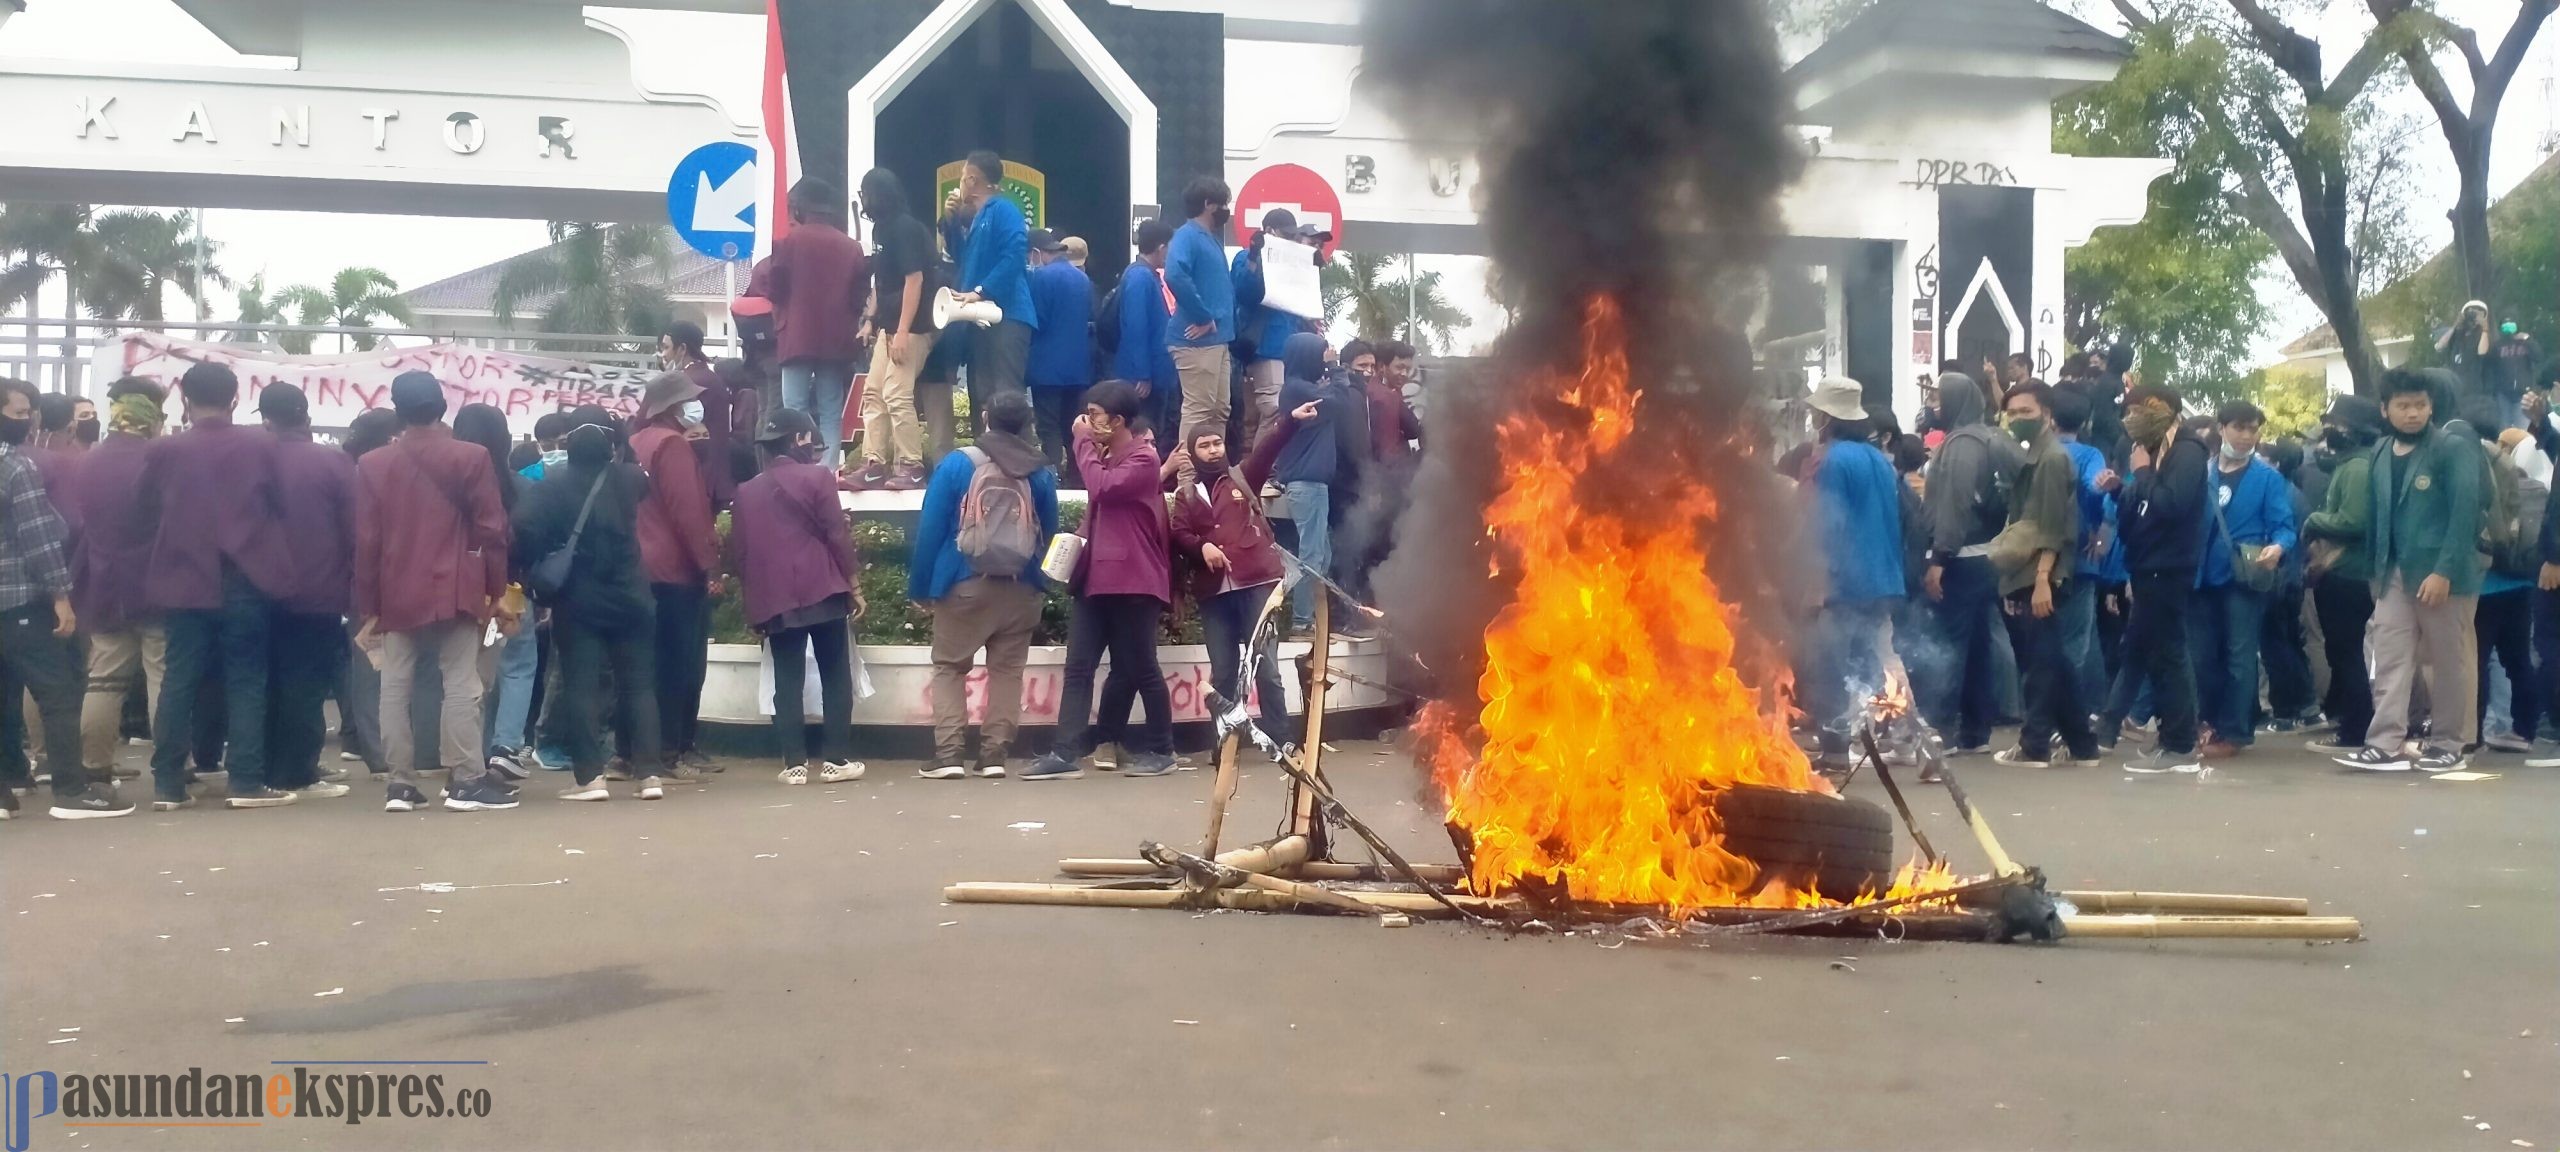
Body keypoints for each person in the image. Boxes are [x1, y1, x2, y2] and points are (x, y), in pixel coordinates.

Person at [136, 363, 299, 810]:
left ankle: (168, 783)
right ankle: (246, 780)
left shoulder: (163, 451)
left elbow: (145, 511)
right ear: (235, 398)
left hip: (184, 577)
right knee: (246, 679)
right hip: (245, 576)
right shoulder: (261, 446)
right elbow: (282, 505)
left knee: (179, 679)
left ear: (183, 399)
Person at [356, 372, 513, 813]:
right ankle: (467, 779)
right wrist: (496, 589)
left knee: (394, 685)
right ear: (441, 407)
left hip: (395, 588)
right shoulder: (472, 456)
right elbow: (492, 528)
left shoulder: (373, 464)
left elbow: (367, 541)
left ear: (398, 411)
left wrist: (369, 605)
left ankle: (399, 784)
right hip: (457, 586)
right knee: (460, 681)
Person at [1026, 381, 1176, 780]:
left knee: (1142, 666)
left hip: (1133, 581)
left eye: (1094, 414)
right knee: (1078, 667)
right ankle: (1065, 752)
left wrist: (1082, 444)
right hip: (1096, 579)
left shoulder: (1143, 459)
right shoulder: (1108, 457)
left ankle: (1163, 749)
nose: (1087, 421)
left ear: (1118, 421)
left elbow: (1102, 489)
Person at [2338, 369, 2485, 771]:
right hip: (2392, 573)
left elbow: (2465, 515)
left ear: (2431, 406)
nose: (2413, 413)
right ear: (2385, 410)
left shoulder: (2452, 447)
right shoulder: (2381, 451)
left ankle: (2449, 744)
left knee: (2448, 658)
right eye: (2403, 405)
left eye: (2420, 404)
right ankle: (2385, 742)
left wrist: (2445, 571)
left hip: (2442, 573)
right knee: (2389, 656)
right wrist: (2376, 573)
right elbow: (2375, 517)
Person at [909, 389, 1058, 779]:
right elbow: (1050, 532)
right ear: (1025, 424)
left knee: (949, 666)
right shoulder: (1039, 471)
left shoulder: (958, 464)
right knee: (1007, 672)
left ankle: (949, 755)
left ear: (986, 417)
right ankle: (994, 756)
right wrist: (1038, 582)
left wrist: (921, 587)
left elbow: (930, 530)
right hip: (1020, 586)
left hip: (963, 583)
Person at [514, 417, 664, 801]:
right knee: (640, 686)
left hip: (578, 602)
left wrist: (536, 563)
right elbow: (638, 472)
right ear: (609, 451)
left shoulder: (552, 488)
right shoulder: (630, 480)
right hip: (633, 597)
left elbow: (524, 527)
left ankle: (590, 778)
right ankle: (649, 776)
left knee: (582, 687)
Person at [0, 377, 124, 819]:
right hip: (22, 600)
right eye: (18, 414)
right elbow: (38, 538)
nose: (27, 421)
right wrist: (61, 596)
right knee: (59, 694)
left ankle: (7, 786)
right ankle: (72, 791)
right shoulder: (17, 467)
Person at [729, 408, 866, 785]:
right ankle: (836, 760)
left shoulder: (745, 491)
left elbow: (741, 554)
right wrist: (854, 585)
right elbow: (836, 534)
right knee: (835, 675)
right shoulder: (818, 477)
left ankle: (794, 765)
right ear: (797, 441)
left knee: (786, 680)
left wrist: (754, 607)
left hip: (776, 599)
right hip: (823, 588)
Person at [1169, 414, 1302, 756]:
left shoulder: (1243, 477)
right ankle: (1225, 741)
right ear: (1193, 453)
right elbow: (1180, 533)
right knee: (1224, 671)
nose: (1213, 451)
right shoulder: (1185, 495)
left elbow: (1268, 449)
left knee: (1266, 667)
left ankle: (1281, 738)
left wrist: (1291, 422)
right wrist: (1202, 546)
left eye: (1217, 443)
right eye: (1205, 446)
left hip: (1257, 582)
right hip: (1214, 594)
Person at [67, 380, 167, 802]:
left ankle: (95, 770)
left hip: (105, 584)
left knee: (104, 681)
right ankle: (170, 768)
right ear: (149, 420)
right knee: (163, 676)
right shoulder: (158, 460)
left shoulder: (88, 463)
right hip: (157, 584)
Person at [1989, 382, 2099, 768]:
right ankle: (2083, 744)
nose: (2018, 419)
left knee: (2041, 660)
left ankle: (2035, 743)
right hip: (2029, 569)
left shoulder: (2052, 459)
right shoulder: (2034, 455)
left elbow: (2054, 526)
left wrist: (2042, 579)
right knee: (2052, 658)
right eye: (2012, 413)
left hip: (2041, 572)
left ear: (2047, 414)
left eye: (2026, 412)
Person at [256, 383, 358, 800]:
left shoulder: (251, 460)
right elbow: (355, 531)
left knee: (261, 680)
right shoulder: (334, 463)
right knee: (306, 683)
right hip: (319, 589)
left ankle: (259, 766)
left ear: (265, 420)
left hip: (256, 589)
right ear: (307, 417)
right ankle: (298, 770)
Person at [2104, 382, 2210, 774]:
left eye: (2139, 410)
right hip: (2146, 564)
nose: (2131, 418)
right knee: (2155, 653)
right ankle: (2169, 737)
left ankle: (2181, 745)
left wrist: (2144, 475)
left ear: (2164, 409)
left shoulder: (2186, 451)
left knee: (2170, 654)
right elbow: (2143, 509)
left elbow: (2171, 505)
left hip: (2169, 567)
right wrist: (2121, 491)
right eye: (2127, 411)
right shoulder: (2149, 451)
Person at [1800, 377, 1904, 772]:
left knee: (1829, 667)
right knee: (1868, 662)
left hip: (1844, 582)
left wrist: (1817, 582)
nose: (1813, 418)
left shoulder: (1833, 460)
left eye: (1816, 413)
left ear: (1827, 417)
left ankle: (1834, 751)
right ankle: (1907, 735)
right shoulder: (1879, 458)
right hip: (1882, 578)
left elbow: (1829, 525)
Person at [2180, 401, 2294, 759]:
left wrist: (2277, 548)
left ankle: (2236, 731)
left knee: (2240, 656)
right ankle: (2206, 723)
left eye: (2253, 429)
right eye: (2239, 428)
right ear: (2221, 428)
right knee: (2201, 656)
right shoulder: (2203, 471)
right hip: (2201, 578)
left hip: (2244, 579)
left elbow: (2284, 527)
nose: (2246, 437)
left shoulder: (2268, 478)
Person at [1917, 370, 2021, 755]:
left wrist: (1939, 558)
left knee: (1948, 646)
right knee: (1978, 645)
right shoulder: (1997, 437)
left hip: (1959, 558)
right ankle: (1976, 731)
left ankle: (1939, 730)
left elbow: (1954, 506)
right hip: (1990, 557)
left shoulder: (1960, 445)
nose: (1935, 407)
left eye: (1941, 400)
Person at [629, 371, 721, 781]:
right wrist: (710, 566)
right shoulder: (672, 446)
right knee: (679, 666)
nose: (694, 408)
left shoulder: (635, 444)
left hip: (638, 568)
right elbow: (689, 513)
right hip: (675, 570)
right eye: (688, 402)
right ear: (671, 408)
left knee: (641, 665)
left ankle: (631, 753)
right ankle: (671, 752)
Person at [750, 177, 869, 467]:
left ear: (801, 210)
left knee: (795, 408)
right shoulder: (851, 247)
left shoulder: (788, 243)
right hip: (836, 339)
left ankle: (794, 468)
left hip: (796, 336)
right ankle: (826, 472)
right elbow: (859, 296)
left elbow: (775, 287)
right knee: (830, 409)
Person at [453, 403, 542, 779]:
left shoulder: (448, 488)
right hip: (511, 589)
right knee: (519, 665)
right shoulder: (520, 486)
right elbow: (531, 541)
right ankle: (506, 745)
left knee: (465, 672)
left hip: (462, 587)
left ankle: (466, 754)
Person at [2303, 396, 2385, 755]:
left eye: (2337, 425)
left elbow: (2353, 522)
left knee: (2345, 652)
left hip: (2346, 572)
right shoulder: (2357, 464)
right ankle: (2353, 721)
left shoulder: (2355, 469)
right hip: (2354, 572)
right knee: (2346, 651)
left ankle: (2355, 728)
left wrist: (2314, 520)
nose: (2329, 432)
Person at [851, 166, 938, 490]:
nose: (862, 201)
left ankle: (911, 466)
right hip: (888, 327)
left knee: (897, 395)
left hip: (912, 328)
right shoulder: (881, 231)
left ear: (877, 194)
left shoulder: (905, 229)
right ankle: (874, 463)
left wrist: (903, 331)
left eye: (864, 193)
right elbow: (882, 282)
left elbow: (914, 280)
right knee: (873, 394)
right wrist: (871, 321)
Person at [2472, 414, 2543, 753]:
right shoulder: (2530, 483)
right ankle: (2525, 730)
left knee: (2475, 660)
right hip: (2523, 582)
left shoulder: (2478, 478)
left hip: (2485, 585)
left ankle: (2471, 735)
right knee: (2518, 660)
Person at [1271, 333, 1351, 632]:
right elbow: (1342, 399)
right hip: (1306, 484)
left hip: (1312, 485)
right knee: (1312, 555)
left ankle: (1311, 618)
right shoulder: (1297, 390)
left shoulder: (1299, 388)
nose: (1324, 360)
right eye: (1320, 355)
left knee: (1321, 553)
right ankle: (1303, 622)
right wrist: (1336, 367)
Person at [948, 150, 1037, 406]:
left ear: (972, 180)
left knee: (1006, 396)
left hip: (1008, 315)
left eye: (963, 177)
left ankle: (1014, 446)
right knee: (982, 393)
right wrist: (951, 224)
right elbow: (963, 261)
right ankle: (986, 447)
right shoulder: (978, 218)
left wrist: (981, 290)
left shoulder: (1004, 209)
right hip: (982, 317)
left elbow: (1014, 255)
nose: (960, 184)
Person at [1231, 209, 1325, 448]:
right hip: (1266, 347)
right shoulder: (1245, 256)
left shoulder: (1288, 260)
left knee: (1268, 414)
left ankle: (1260, 470)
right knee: (1273, 410)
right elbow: (1244, 291)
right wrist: (1254, 255)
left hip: (1285, 346)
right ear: (1270, 231)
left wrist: (1311, 268)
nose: (1289, 239)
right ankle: (1261, 471)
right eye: (1285, 234)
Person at [2050, 386, 2112, 706]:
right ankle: (2070, 712)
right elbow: (2096, 488)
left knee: (2044, 641)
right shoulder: (2090, 455)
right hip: (2079, 559)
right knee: (2076, 642)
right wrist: (2099, 530)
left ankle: (2046, 712)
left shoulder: (2035, 451)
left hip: (2035, 561)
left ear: (2050, 417)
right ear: (2084, 421)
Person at [1164, 176, 1237, 441]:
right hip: (1196, 340)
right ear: (1209, 204)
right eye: (1224, 203)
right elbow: (1174, 274)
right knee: (1199, 412)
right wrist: (1203, 315)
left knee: (1218, 411)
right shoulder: (1187, 236)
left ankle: (1211, 472)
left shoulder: (1210, 239)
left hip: (1218, 339)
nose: (1227, 209)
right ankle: (1187, 478)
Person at [1025, 227, 1096, 478]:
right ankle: (1078, 477)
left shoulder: (1041, 278)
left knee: (1048, 427)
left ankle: (1052, 476)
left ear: (1037, 253)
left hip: (1046, 368)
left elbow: (1038, 320)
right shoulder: (1082, 279)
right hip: (1079, 367)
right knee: (1073, 426)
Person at [1105, 217, 1181, 441]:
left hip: (1152, 373)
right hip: (1144, 377)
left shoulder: (1144, 275)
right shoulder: (1140, 277)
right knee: (1145, 431)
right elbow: (1136, 328)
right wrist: (1142, 375)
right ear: (1161, 247)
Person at [659, 320, 748, 510]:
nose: (663, 355)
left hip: (702, 481)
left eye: (666, 348)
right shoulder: (705, 377)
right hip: (714, 479)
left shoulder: (690, 382)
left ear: (682, 348)